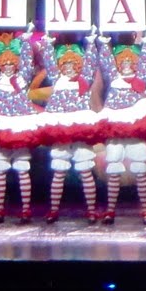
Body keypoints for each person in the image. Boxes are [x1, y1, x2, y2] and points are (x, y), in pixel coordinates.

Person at [94, 29, 146, 224]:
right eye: (122, 63)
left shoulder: (139, 81)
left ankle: (145, 209)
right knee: (113, 170)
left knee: (140, 170)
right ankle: (111, 210)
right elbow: (107, 63)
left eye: (130, 62)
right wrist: (104, 43)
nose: (126, 66)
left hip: (135, 130)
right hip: (116, 128)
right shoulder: (114, 78)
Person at [0, 27, 39, 224]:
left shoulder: (22, 78)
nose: (9, 67)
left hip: (20, 124)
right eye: (5, 64)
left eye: (12, 64)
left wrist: (26, 41)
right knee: (0, 168)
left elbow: (28, 61)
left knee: (22, 168)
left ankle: (26, 209)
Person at [37, 34, 103, 223]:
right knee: (59, 171)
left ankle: (91, 210)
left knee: (85, 170)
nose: (68, 68)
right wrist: (48, 45)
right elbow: (49, 62)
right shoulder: (57, 79)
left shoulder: (84, 80)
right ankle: (54, 210)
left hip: (80, 124)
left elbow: (90, 62)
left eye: (72, 64)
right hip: (61, 125)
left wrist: (90, 43)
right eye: (65, 64)